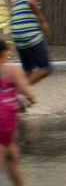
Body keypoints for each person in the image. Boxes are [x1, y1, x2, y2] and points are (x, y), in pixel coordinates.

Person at [0, 39, 36, 186]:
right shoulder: (12, 70)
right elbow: (30, 95)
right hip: (5, 119)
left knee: (12, 157)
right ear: (4, 54)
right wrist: (27, 100)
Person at [9, 0, 52, 85]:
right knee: (45, 68)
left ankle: (14, 93)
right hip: (30, 34)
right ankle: (21, 93)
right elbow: (31, 2)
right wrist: (42, 21)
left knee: (28, 71)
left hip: (17, 35)